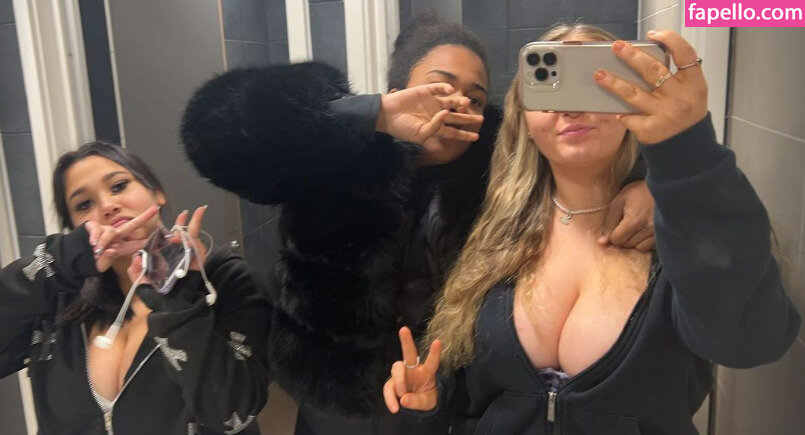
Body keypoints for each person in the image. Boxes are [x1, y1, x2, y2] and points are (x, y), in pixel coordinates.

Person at [181, 13, 655, 435]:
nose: (459, 103)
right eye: (441, 87)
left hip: (442, 405)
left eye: (475, 96)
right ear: (398, 90)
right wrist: (374, 115)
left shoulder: (501, 165)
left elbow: (584, 150)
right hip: (329, 397)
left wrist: (645, 183)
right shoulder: (334, 155)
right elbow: (213, 135)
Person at [382, 24, 801, 434]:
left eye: (592, 85)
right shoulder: (490, 228)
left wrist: (686, 151)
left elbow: (750, 341)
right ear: (524, 121)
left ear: (632, 104)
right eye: (551, 88)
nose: (570, 109)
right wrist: (432, 400)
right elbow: (469, 381)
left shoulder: (684, 224)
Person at [0, 142, 269, 434]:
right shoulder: (59, 301)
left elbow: (233, 412)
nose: (107, 206)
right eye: (84, 205)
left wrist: (179, 299)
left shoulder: (225, 280)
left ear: (157, 193)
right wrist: (56, 262)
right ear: (75, 228)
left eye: (118, 186)